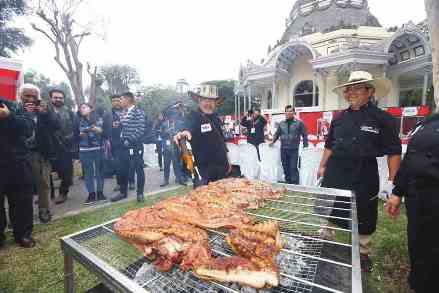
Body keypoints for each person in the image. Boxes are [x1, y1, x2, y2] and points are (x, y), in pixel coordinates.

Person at [317, 71, 402, 273]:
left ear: (370, 91)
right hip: (335, 171)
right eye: (349, 89)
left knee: (364, 213)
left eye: (357, 88)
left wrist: (392, 182)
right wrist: (322, 166)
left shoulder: (383, 119)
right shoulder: (338, 118)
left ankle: (362, 252)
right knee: (328, 206)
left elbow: (394, 152)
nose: (351, 92)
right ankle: (324, 239)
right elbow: (330, 145)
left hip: (364, 173)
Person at [385, 112, 439, 293]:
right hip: (418, 199)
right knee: (419, 245)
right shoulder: (429, 121)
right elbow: (410, 159)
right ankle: (419, 284)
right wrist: (397, 191)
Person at [174, 84, 230, 187]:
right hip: (203, 173)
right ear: (199, 100)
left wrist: (228, 161)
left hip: (221, 169)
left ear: (216, 103)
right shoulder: (192, 117)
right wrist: (183, 132)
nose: (208, 103)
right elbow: (185, 128)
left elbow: (221, 141)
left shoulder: (216, 119)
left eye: (211, 100)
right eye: (205, 100)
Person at [20, 84, 60, 223]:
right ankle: (23, 216)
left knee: (44, 183)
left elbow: (56, 125)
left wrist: (45, 113)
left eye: (33, 96)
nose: (30, 99)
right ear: (21, 96)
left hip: (42, 153)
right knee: (24, 185)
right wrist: (24, 114)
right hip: (23, 154)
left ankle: (44, 210)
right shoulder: (15, 109)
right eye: (27, 95)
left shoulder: (44, 108)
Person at [0, 97, 36, 248]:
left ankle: (23, 234)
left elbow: (28, 127)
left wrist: (9, 117)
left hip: (17, 162)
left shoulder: (13, 106)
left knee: (22, 200)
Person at [111, 92, 146, 202]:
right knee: (122, 170)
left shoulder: (138, 112)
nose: (119, 101)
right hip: (123, 146)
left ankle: (140, 194)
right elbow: (123, 128)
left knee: (139, 169)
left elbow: (140, 129)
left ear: (128, 100)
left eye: (121, 99)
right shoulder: (122, 113)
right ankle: (123, 192)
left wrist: (129, 140)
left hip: (135, 145)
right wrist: (118, 126)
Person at [75, 103, 109, 205]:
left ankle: (100, 193)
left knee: (100, 171)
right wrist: (79, 135)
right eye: (81, 108)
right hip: (85, 150)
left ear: (91, 109)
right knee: (88, 173)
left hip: (98, 148)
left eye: (85, 107)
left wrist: (97, 129)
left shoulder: (99, 118)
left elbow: (104, 132)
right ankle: (91, 195)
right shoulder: (77, 120)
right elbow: (75, 134)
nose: (82, 109)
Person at [269, 105, 308, 184]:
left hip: (294, 149)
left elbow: (304, 135)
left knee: (293, 168)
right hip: (283, 149)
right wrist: (272, 141)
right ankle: (288, 183)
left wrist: (305, 147)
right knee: (285, 167)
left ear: (294, 112)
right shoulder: (281, 123)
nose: (288, 113)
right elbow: (277, 134)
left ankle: (295, 185)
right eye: (287, 111)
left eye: (290, 111)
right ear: (285, 112)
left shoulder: (299, 123)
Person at [50, 89, 76, 204]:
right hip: (49, 146)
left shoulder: (69, 112)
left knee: (66, 171)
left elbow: (75, 128)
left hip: (65, 146)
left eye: (60, 97)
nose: (58, 99)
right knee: (46, 172)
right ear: (51, 98)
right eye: (56, 97)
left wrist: (70, 140)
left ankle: (63, 193)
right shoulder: (45, 111)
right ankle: (47, 194)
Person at [159, 115, 184, 187]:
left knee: (176, 164)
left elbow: (181, 134)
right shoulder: (163, 124)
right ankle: (166, 180)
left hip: (175, 146)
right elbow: (161, 135)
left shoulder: (178, 124)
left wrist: (175, 133)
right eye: (170, 117)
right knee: (166, 164)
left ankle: (179, 179)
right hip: (166, 147)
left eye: (173, 117)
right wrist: (166, 132)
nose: (172, 119)